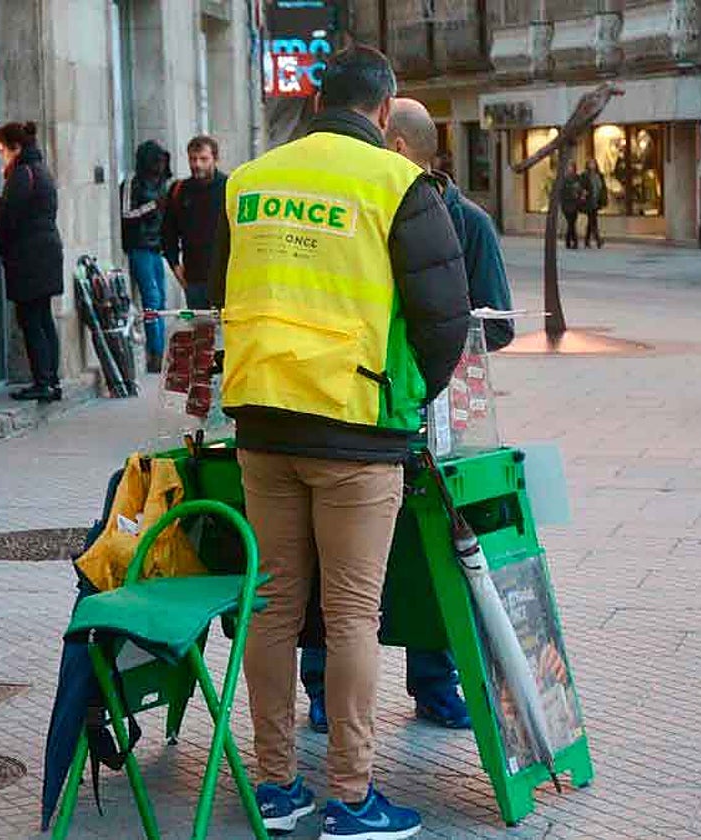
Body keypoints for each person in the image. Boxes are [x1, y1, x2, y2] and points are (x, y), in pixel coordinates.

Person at [209, 45, 470, 838]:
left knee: (274, 607)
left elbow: (228, 288)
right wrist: (409, 394)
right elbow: (445, 317)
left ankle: (277, 785)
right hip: (355, 431)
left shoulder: (250, 181)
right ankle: (353, 799)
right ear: (385, 111)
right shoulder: (397, 184)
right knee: (352, 615)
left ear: (321, 99)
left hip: (261, 423)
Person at [298, 98, 515, 736]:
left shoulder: (467, 223)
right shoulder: (357, 209)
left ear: (394, 146)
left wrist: (435, 349)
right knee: (329, 559)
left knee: (434, 551)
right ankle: (322, 689)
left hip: (436, 419)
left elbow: (496, 321)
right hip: (351, 415)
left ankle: (435, 683)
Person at [0, 121, 63, 402]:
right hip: (45, 252)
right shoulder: (40, 171)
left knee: (31, 319)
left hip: (30, 256)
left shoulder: (22, 174)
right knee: (43, 317)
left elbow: (10, 218)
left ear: (16, 147)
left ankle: (43, 381)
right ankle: (51, 380)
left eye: (2, 150)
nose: (1, 156)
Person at [121, 140, 172, 372]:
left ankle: (161, 351)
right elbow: (126, 214)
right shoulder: (133, 182)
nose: (160, 167)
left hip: (155, 246)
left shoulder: (161, 182)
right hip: (138, 245)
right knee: (151, 300)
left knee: (160, 301)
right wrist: (152, 207)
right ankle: (156, 353)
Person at [162, 135, 228, 310]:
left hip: (226, 280)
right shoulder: (179, 190)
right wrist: (176, 267)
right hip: (194, 279)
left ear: (215, 159)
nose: (197, 164)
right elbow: (168, 233)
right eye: (193, 159)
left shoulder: (229, 188)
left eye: (203, 159)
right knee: (200, 333)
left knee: (227, 334)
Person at [580, 159, 606, 248]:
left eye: (593, 163)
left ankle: (587, 240)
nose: (592, 165)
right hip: (588, 201)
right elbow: (581, 186)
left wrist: (603, 199)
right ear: (587, 165)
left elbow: (603, 188)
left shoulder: (599, 175)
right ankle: (598, 240)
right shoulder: (584, 175)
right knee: (593, 221)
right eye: (590, 164)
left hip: (596, 201)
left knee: (591, 221)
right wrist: (583, 193)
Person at [559, 161, 584, 250]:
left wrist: (580, 195)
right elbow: (561, 192)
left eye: (571, 167)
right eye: (569, 167)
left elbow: (581, 189)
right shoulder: (564, 179)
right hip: (566, 204)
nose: (570, 169)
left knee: (572, 223)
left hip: (575, 204)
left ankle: (569, 241)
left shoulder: (577, 178)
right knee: (571, 223)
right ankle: (573, 241)